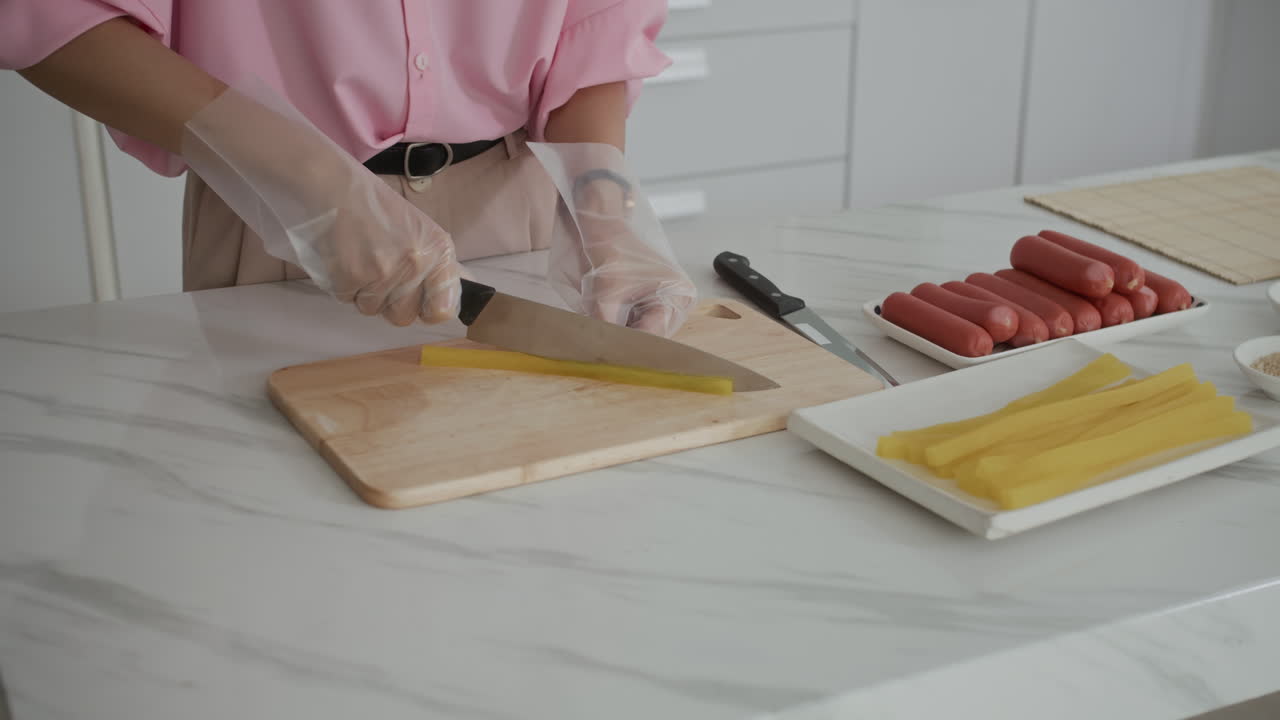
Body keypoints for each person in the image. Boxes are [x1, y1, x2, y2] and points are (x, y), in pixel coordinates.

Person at [2, 1, 697, 336]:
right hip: (277, 216)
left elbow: (594, 22)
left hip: (523, 214)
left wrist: (602, 207)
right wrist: (312, 183)